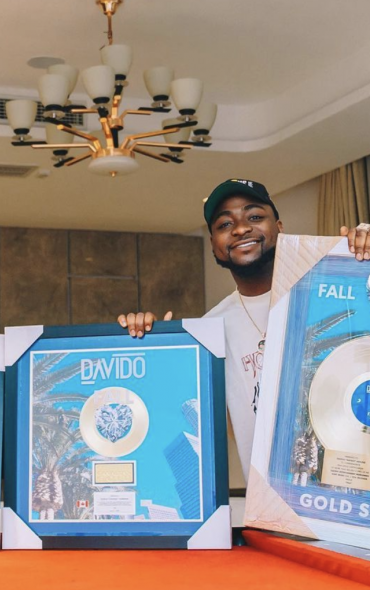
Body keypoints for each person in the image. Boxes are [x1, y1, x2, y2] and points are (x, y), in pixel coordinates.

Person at [117, 178, 370, 482]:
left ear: (279, 227)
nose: (240, 229)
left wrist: (363, 257)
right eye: (225, 224)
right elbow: (181, 417)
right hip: (269, 501)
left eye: (254, 216)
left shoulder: (336, 293)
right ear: (214, 244)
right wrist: (147, 342)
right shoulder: (209, 331)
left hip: (351, 491)